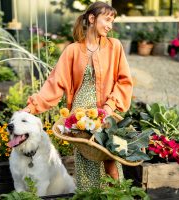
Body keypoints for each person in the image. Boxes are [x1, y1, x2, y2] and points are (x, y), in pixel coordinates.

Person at [21, 1, 133, 190]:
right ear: (91, 18)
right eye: (106, 20)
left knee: (112, 159)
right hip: (80, 118)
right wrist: (31, 108)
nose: (110, 26)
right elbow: (54, 84)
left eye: (112, 21)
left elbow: (124, 81)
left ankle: (117, 194)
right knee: (88, 163)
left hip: (105, 113)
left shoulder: (115, 47)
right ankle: (89, 195)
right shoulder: (72, 51)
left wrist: (109, 107)